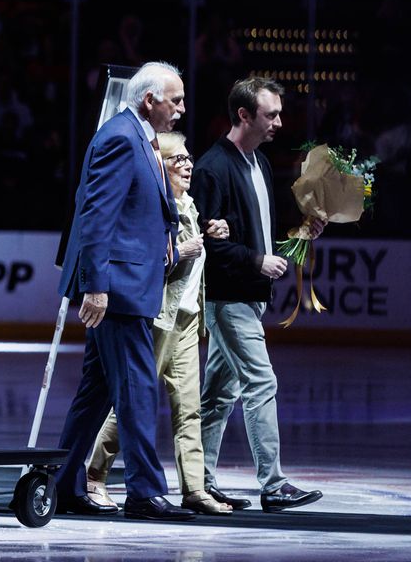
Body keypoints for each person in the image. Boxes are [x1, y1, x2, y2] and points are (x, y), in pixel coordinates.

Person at [54, 61, 194, 521]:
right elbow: (97, 216)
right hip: (119, 289)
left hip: (128, 285)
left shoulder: (138, 136)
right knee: (136, 389)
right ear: (149, 100)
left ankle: (63, 484)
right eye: (175, 100)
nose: (182, 109)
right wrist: (96, 287)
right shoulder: (120, 137)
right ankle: (144, 492)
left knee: (96, 393)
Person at [192, 77, 327, 512]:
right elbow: (203, 243)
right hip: (227, 298)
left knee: (218, 396)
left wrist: (302, 231)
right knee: (261, 382)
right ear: (244, 115)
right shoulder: (212, 168)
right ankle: (273, 483)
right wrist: (256, 261)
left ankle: (199, 483)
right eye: (271, 115)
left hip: (248, 296)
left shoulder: (259, 163)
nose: (279, 123)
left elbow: (260, 233)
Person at [85, 132, 232, 515]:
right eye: (177, 159)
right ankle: (94, 473)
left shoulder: (190, 205)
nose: (187, 164)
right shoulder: (154, 208)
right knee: (134, 403)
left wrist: (208, 232)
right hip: (157, 319)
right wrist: (181, 251)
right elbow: (143, 263)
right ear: (158, 167)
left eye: (188, 157)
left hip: (187, 319)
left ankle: (195, 489)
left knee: (189, 407)